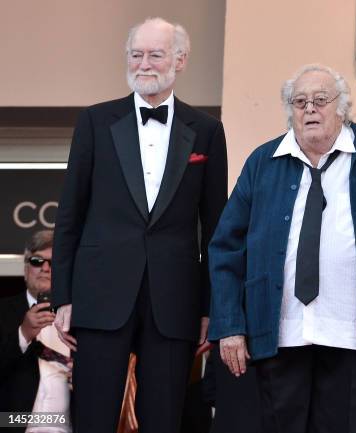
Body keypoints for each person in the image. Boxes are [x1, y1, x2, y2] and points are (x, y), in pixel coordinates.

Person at [208, 64, 356, 433]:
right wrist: (230, 326)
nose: (310, 109)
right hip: (282, 331)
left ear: (342, 107)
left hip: (351, 332)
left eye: (320, 100)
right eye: (299, 102)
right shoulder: (262, 162)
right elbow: (225, 247)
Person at [51, 17, 227, 433]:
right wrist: (63, 296)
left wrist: (210, 307)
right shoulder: (94, 121)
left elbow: (215, 226)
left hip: (174, 300)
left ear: (180, 60)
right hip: (98, 295)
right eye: (136, 54)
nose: (144, 64)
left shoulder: (206, 130)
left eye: (155, 54)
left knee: (165, 418)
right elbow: (70, 213)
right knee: (93, 416)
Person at [0, 230, 72, 433]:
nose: (46, 268)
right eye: (37, 261)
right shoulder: (3, 311)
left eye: (54, 263)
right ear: (25, 269)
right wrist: (23, 334)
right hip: (12, 424)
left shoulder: (82, 318)